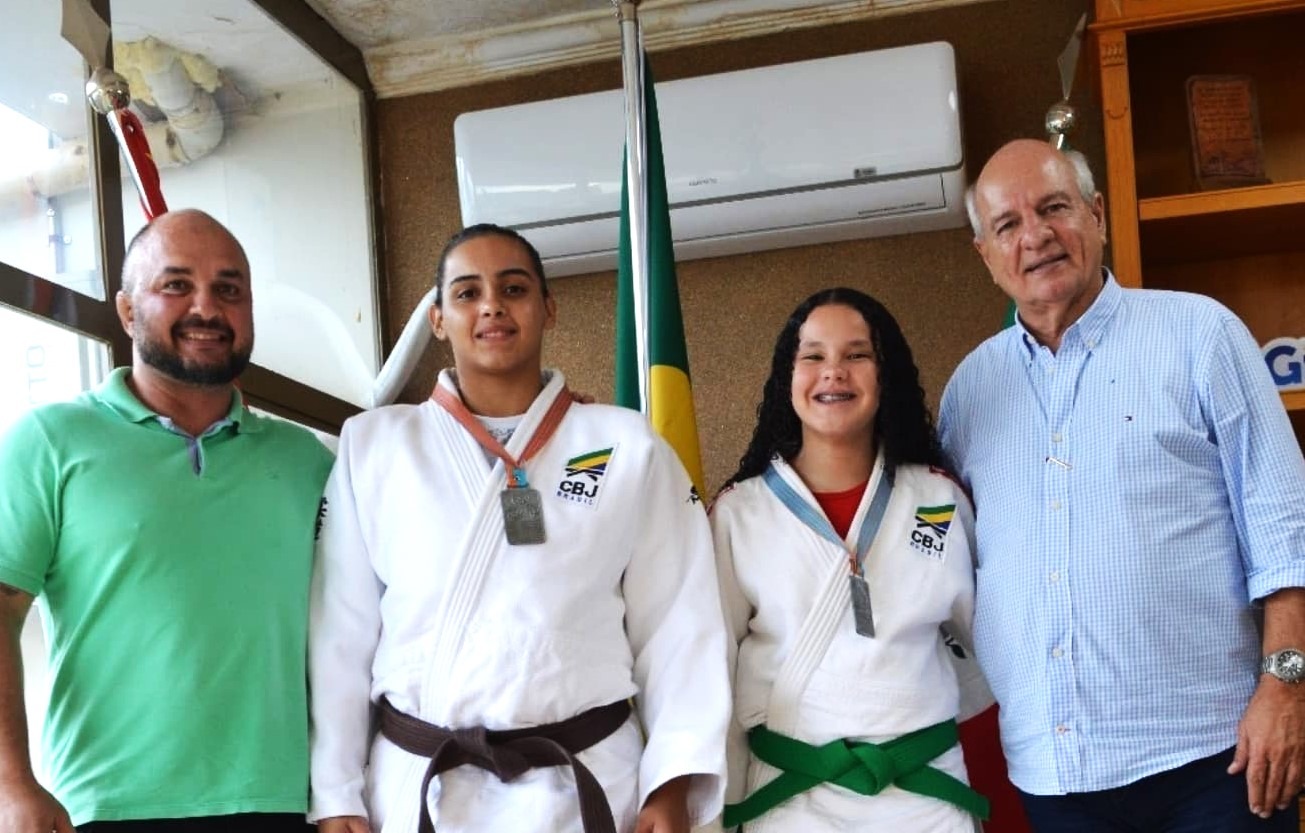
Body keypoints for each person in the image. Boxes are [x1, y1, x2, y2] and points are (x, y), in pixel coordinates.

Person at [307, 223, 730, 833]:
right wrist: (338, 792)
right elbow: (340, 632)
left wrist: (672, 781)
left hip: (586, 780)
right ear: (436, 319)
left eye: (514, 288)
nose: (491, 307)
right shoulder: (374, 445)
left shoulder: (624, 441)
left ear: (548, 309)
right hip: (421, 786)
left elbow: (679, 622)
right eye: (467, 292)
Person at [940, 138, 1305, 831]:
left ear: (1096, 214)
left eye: (1053, 207)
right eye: (1007, 224)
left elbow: (1287, 533)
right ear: (985, 254)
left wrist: (1285, 686)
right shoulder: (968, 394)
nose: (1036, 236)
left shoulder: (1198, 334)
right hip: (1054, 776)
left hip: (1215, 762)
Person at [0, 209, 334, 832]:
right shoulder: (49, 442)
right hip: (105, 808)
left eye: (228, 289)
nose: (206, 308)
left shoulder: (304, 461)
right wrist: (11, 784)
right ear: (127, 312)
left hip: (285, 803)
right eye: (176, 285)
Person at [710, 287, 993, 831]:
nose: (833, 372)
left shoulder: (937, 498)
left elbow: (990, 644)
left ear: (884, 376)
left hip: (925, 793)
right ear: (786, 378)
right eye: (813, 356)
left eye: (856, 355)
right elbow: (711, 666)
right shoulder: (738, 513)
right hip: (791, 798)